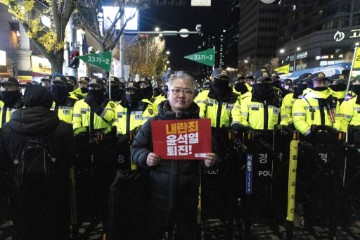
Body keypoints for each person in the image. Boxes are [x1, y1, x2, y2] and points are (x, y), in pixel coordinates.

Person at [131, 71, 217, 240]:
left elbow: (214, 154)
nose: (181, 95)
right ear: (168, 93)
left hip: (188, 198)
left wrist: (211, 160)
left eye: (187, 91)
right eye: (177, 90)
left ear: (193, 95)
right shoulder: (153, 123)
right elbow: (136, 149)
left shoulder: (201, 125)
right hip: (156, 196)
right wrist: (145, 157)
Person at [0, 85, 75, 240]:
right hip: (55, 199)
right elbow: (71, 160)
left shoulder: (7, 130)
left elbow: (4, 164)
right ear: (49, 102)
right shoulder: (63, 129)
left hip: (21, 198)